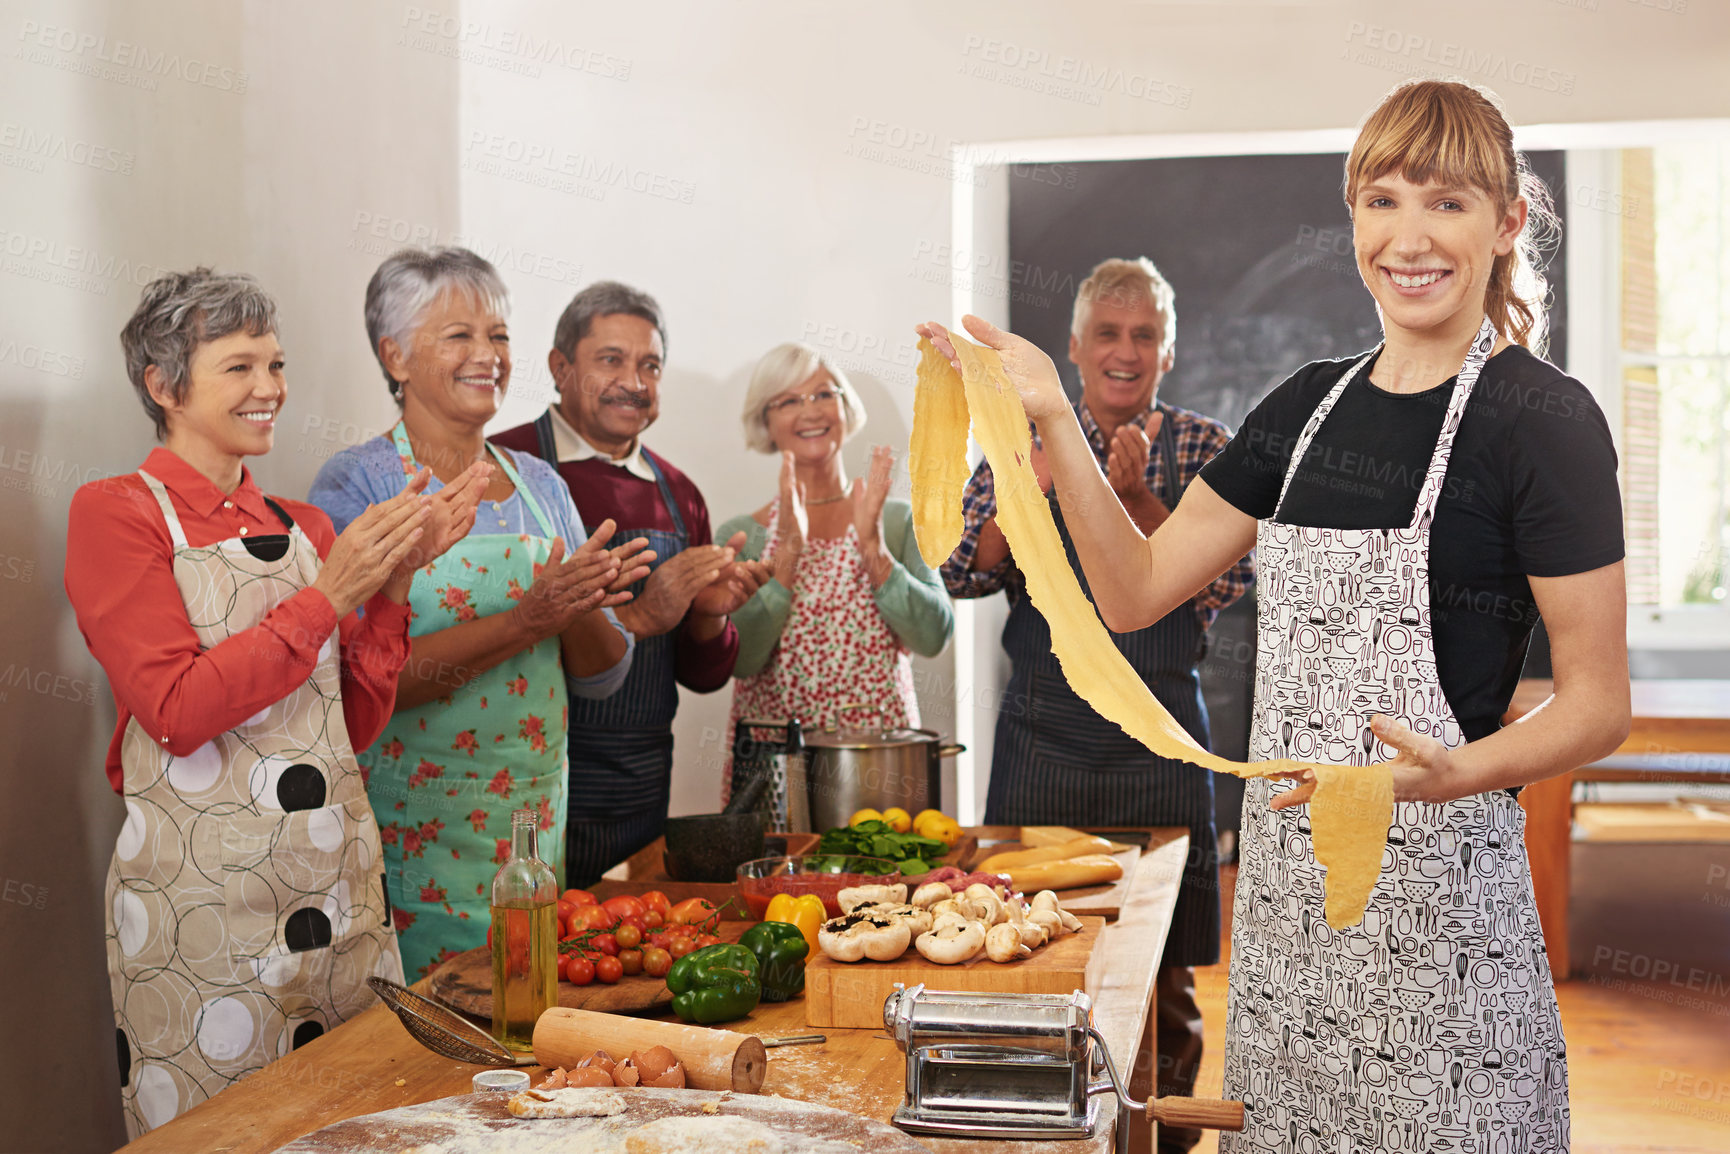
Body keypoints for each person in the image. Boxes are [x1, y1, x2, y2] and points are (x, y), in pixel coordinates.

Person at [919, 79, 1630, 1151]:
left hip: (1441, 921)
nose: (1408, 237)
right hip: (1292, 918)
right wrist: (1053, 419)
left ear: (1505, 221)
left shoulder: (1541, 418)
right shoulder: (1304, 408)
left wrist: (1457, 769)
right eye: (1380, 200)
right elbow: (1133, 587)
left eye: (1443, 202)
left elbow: (1597, 702)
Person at [66, 268, 486, 1136]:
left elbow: (350, 728)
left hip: (338, 899)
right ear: (162, 385)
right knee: (227, 1137)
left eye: (278, 364)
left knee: (366, 1125)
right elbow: (177, 710)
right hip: (206, 914)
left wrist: (396, 580)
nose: (271, 390)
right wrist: (330, 597)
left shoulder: (308, 529)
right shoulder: (117, 515)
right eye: (240, 367)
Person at [939, 256, 1251, 1153]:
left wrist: (1137, 499)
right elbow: (964, 573)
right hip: (1043, 742)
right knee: (1029, 956)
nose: (1125, 351)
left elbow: (1221, 583)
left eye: (1143, 334)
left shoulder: (1204, 447)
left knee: (1165, 979)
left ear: (1168, 348)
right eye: (1107, 333)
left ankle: (1154, 1140)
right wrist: (1033, 482)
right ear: (1074, 347)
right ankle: (1040, 1136)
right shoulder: (1017, 437)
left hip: (1158, 747)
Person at [309, 248, 646, 978]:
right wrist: (528, 619)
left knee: (525, 1017)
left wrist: (575, 603)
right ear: (394, 355)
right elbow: (367, 682)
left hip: (529, 822)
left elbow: (605, 674)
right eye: (458, 335)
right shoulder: (359, 483)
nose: (487, 355)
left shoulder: (539, 484)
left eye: (496, 335)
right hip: (412, 830)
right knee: (429, 1037)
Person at [491, 281, 769, 884]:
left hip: (643, 780)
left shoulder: (679, 492)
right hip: (526, 771)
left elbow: (701, 677)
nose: (635, 382)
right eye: (611, 360)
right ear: (560, 368)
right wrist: (641, 612)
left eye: (651, 365)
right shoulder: (503, 470)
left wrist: (707, 616)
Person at [717, 342, 954, 822]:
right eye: (788, 400)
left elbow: (934, 636)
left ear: (846, 408)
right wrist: (785, 559)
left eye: (823, 394)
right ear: (765, 422)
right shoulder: (742, 533)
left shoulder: (896, 522)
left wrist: (874, 551)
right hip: (775, 773)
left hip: (882, 767)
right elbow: (741, 659)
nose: (810, 411)